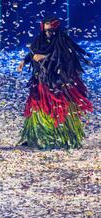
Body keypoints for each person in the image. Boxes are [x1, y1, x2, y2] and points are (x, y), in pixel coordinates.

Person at [17, 17, 93, 149]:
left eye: (50, 30)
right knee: (38, 107)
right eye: (46, 30)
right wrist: (25, 61)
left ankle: (63, 137)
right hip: (41, 80)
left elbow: (63, 57)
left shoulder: (62, 42)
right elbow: (33, 52)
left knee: (60, 108)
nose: (48, 33)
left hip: (58, 81)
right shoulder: (40, 39)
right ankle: (38, 137)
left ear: (55, 29)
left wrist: (45, 57)